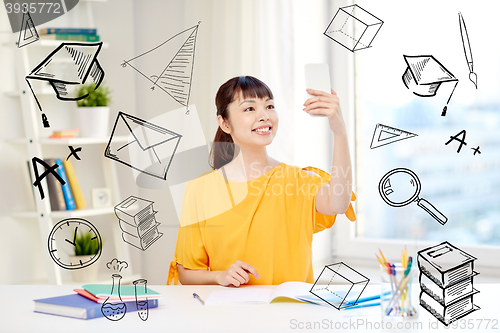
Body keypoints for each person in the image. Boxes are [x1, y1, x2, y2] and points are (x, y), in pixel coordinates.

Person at [167, 76, 355, 287]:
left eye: (269, 106)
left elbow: (338, 203)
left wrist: (340, 132)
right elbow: (187, 273)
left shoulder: (298, 181)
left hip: (290, 314)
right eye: (249, 109)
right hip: (230, 316)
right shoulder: (200, 190)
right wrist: (220, 276)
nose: (264, 115)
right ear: (224, 123)